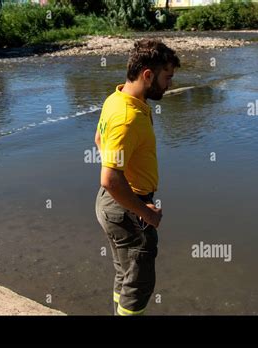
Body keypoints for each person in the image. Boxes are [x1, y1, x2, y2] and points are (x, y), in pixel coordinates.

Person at [95, 39, 180, 315]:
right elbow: (109, 179)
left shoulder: (117, 97)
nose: (169, 84)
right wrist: (146, 211)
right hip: (127, 207)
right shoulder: (127, 117)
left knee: (125, 273)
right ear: (147, 74)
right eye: (167, 77)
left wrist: (122, 171)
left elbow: (98, 138)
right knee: (139, 285)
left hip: (115, 204)